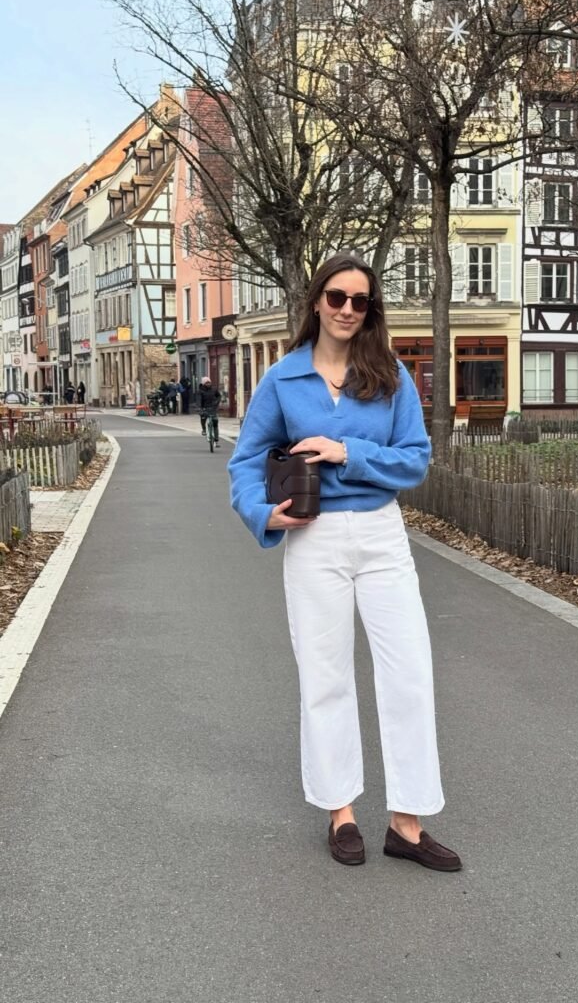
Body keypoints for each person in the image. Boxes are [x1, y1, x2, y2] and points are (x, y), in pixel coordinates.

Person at [228, 253, 461, 872]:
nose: (347, 310)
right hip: (314, 540)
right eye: (337, 297)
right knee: (325, 675)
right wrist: (262, 514)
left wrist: (345, 450)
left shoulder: (389, 377)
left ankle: (407, 824)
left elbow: (414, 459)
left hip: (383, 536)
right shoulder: (282, 380)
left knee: (409, 672)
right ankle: (342, 812)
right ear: (316, 301)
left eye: (360, 302)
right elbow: (246, 462)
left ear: (370, 310)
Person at [198, 375, 221, 443]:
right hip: (204, 407)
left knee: (215, 422)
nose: (208, 384)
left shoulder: (214, 389)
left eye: (209, 382)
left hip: (213, 407)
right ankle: (204, 429)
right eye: (206, 383)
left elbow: (218, 396)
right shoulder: (200, 391)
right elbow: (198, 400)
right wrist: (199, 408)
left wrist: (217, 402)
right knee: (203, 417)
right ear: (203, 384)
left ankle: (216, 438)